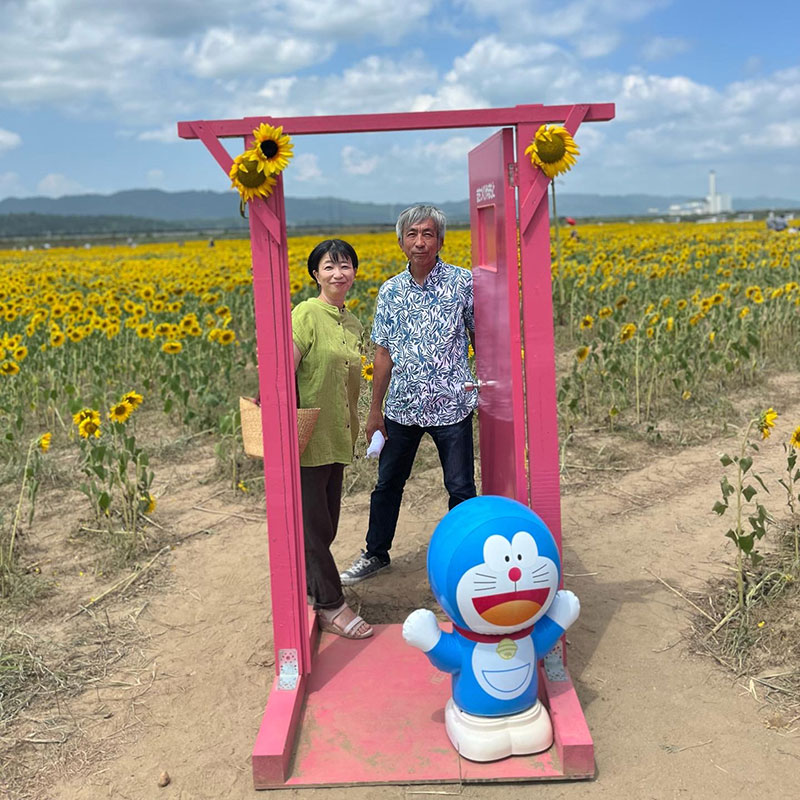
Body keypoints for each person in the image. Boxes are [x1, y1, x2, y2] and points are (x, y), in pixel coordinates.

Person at [340, 205, 477, 585]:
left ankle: (466, 558)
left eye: (428, 234)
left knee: (460, 487)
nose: (420, 242)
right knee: (387, 485)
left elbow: (480, 335)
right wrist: (375, 411)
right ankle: (375, 552)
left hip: (452, 404)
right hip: (402, 407)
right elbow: (382, 354)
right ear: (401, 242)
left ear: (440, 241)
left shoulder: (463, 282)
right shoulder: (391, 291)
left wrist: (489, 382)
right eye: (412, 234)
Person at [293, 239, 373, 638]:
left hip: (338, 433)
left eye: (345, 266)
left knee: (326, 525)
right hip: (306, 435)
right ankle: (330, 604)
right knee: (312, 527)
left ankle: (312, 590)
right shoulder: (306, 314)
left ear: (354, 273)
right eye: (329, 266)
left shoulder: (352, 323)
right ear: (316, 274)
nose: (338, 273)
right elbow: (283, 369)